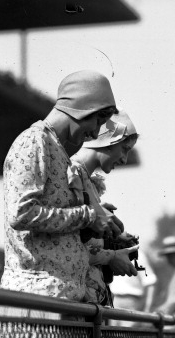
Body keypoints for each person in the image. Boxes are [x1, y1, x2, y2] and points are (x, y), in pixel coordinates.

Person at [0, 70, 122, 308]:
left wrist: (93, 216)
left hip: (60, 298)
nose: (96, 133)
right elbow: (21, 213)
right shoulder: (35, 141)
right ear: (81, 109)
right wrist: (88, 216)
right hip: (37, 299)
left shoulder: (57, 148)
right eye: (98, 120)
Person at [69, 108, 141, 307]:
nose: (125, 159)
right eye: (125, 149)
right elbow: (67, 246)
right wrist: (111, 257)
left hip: (90, 301)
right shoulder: (73, 173)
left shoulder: (86, 180)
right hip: (76, 301)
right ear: (109, 140)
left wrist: (111, 240)